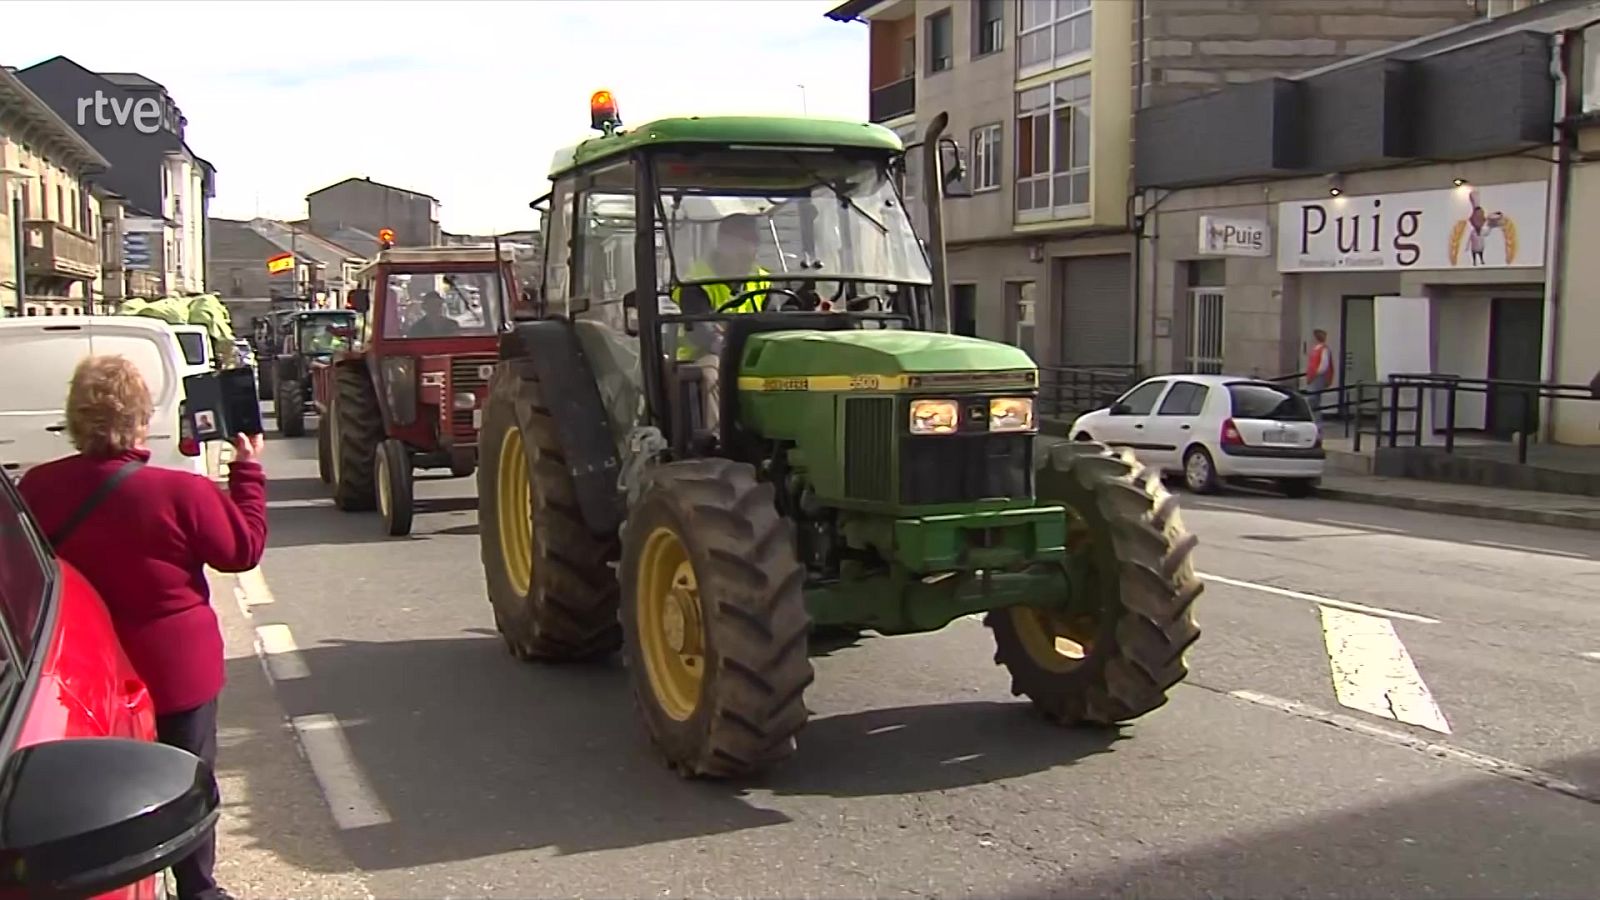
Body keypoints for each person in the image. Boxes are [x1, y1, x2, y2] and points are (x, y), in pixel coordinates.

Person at [18, 355, 267, 900]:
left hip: (85, 669)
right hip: (175, 666)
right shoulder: (180, 493)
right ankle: (197, 887)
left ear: (75, 419)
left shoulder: (36, 488)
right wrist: (246, 471)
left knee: (92, 786)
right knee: (186, 778)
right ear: (140, 418)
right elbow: (243, 550)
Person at [671, 213, 773, 431]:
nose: (746, 250)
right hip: (702, 355)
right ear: (722, 243)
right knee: (713, 374)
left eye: (751, 241)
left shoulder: (763, 279)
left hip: (751, 353)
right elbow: (700, 331)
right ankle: (716, 441)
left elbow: (774, 319)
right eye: (739, 241)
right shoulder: (697, 282)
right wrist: (728, 348)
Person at [1304, 328, 1333, 422]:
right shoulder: (1315, 349)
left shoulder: (1323, 349)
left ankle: (1317, 423)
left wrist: (1316, 373)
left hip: (1317, 377)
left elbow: (1324, 364)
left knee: (1313, 400)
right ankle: (1314, 421)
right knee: (1312, 400)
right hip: (1313, 376)